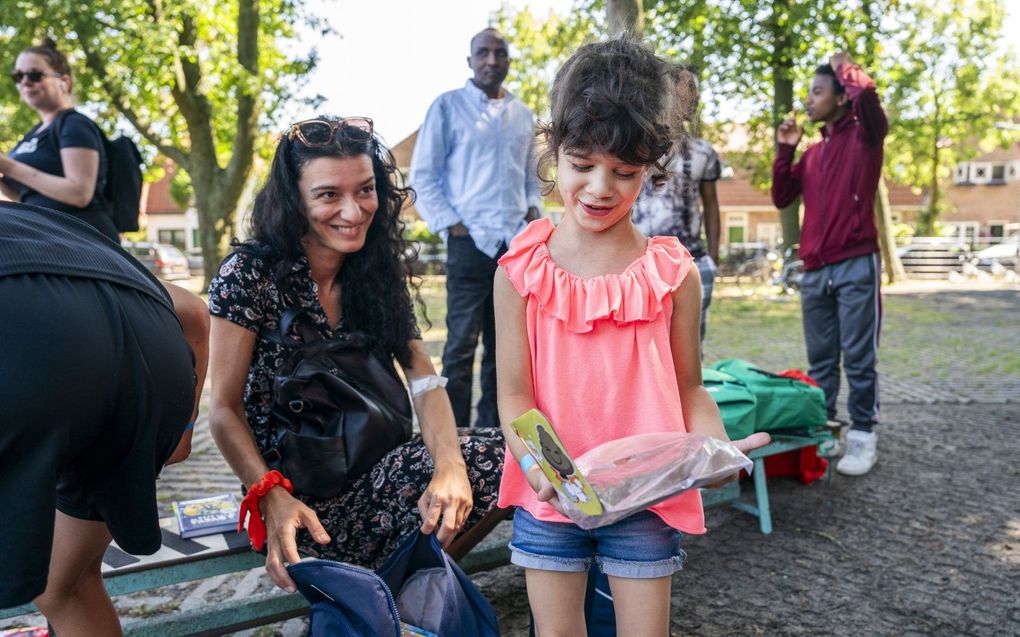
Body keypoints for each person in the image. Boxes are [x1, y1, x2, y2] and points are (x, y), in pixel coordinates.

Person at [493, 40, 770, 636]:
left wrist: (713, 448)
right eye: (582, 163)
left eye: (624, 172)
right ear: (553, 153)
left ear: (651, 167)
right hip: (553, 500)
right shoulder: (519, 270)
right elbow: (515, 395)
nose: (600, 187)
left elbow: (689, 387)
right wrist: (551, 472)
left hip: (646, 496)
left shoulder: (674, 273)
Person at [207, 116, 503, 595]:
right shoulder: (250, 273)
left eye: (365, 190)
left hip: (379, 475)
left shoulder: (373, 270)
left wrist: (448, 464)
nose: (353, 210)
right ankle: (388, 597)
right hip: (298, 503)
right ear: (294, 200)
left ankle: (391, 595)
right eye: (328, 195)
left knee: (509, 456)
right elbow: (222, 410)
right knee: (493, 459)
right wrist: (270, 496)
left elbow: (425, 380)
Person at [0, 201, 205, 634]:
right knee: (63, 584)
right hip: (152, 344)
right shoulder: (40, 225)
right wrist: (184, 431)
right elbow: (192, 311)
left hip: (23, 343)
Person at [409, 27, 542, 429]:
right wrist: (453, 225)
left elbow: (532, 177)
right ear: (470, 61)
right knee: (460, 347)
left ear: (508, 61)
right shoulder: (447, 107)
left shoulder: (523, 115)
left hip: (514, 246)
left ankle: (494, 432)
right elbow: (423, 176)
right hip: (468, 244)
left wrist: (534, 211)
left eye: (499, 53)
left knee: (506, 347)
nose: (491, 60)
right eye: (482, 53)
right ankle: (455, 434)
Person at [771, 52, 888, 477]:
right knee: (821, 360)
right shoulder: (814, 154)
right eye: (807, 93)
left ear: (841, 96)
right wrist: (786, 149)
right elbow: (783, 196)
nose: (808, 100)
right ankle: (829, 431)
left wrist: (846, 66)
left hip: (857, 261)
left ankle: (863, 434)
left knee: (858, 356)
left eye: (818, 92)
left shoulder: (866, 135)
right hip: (816, 269)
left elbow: (869, 98)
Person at [631, 65, 722, 345]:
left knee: (691, 351)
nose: (693, 96)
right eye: (686, 88)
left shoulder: (704, 152)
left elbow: (711, 206)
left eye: (695, 88)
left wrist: (713, 260)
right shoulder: (635, 145)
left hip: (691, 263)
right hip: (640, 263)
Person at [0, 38, 119, 242]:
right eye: (18, 76)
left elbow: (79, 193)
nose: (25, 82)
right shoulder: (33, 134)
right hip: (46, 237)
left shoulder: (74, 124)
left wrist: (9, 167)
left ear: (65, 82)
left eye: (35, 75)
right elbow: (29, 197)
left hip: (81, 241)